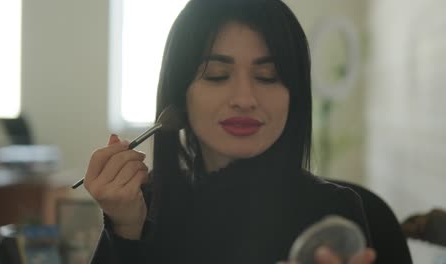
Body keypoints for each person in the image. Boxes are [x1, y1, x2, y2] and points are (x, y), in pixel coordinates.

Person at [83, 0, 404, 263]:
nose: (244, 99)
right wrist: (124, 228)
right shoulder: (142, 209)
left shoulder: (333, 216)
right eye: (217, 75)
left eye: (267, 76)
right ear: (180, 95)